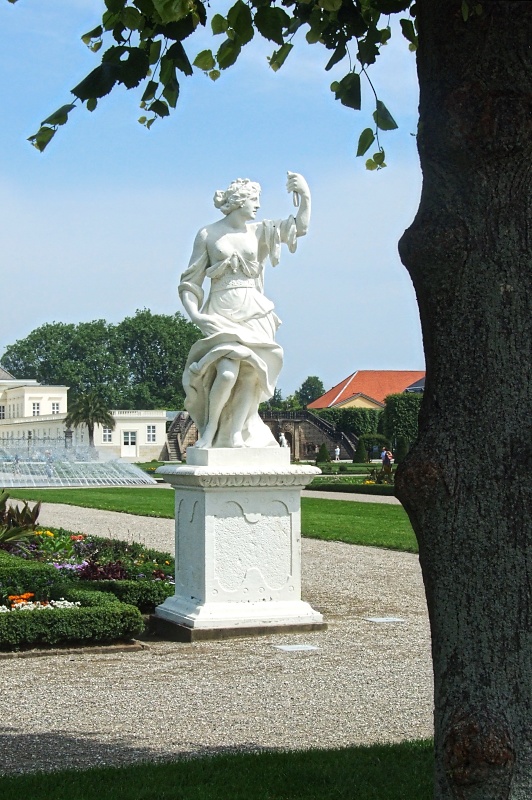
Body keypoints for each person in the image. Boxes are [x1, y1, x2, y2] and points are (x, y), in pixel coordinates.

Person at [179, 172, 311, 449]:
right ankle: (210, 430)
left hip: (255, 310)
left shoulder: (259, 231)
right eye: (253, 200)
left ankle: (236, 433)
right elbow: (190, 282)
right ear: (238, 202)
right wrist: (196, 315)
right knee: (227, 373)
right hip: (221, 310)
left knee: (252, 375)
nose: (258, 206)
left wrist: (305, 195)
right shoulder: (208, 234)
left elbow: (299, 227)